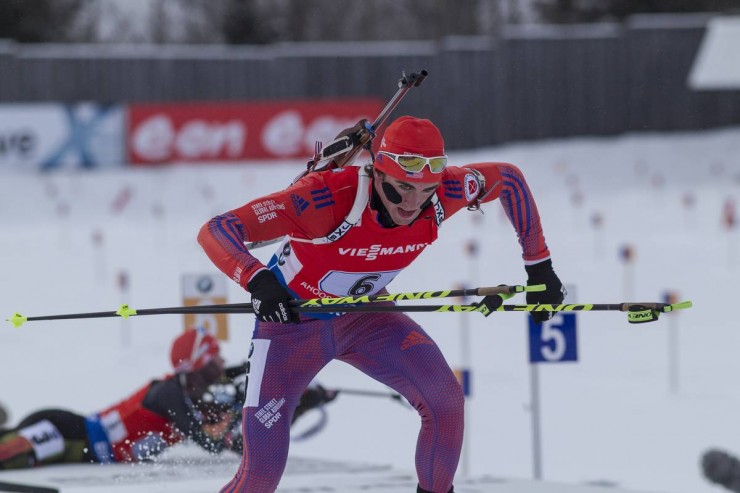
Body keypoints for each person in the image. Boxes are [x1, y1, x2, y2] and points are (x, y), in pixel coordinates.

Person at [198, 115, 566, 493]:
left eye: (426, 191)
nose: (412, 203)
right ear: (377, 173)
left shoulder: (446, 192)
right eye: (401, 189)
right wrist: (257, 278)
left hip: (367, 318)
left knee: (445, 404)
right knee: (261, 474)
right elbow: (217, 230)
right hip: (291, 327)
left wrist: (540, 268)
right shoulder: (322, 198)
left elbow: (509, 178)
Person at [0, 327, 337, 470]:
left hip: (82, 454)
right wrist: (236, 415)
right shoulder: (170, 395)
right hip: (69, 432)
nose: (222, 364)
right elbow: (210, 442)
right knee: (6, 457)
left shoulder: (193, 399)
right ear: (201, 365)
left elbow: (246, 444)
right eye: (215, 358)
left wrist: (300, 400)